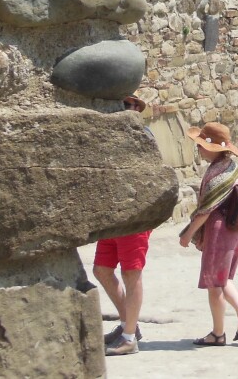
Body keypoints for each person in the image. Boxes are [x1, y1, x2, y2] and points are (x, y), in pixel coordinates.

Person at [179, 122, 238, 347]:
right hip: (235, 230)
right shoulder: (231, 166)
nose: (198, 149)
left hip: (220, 231)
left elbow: (205, 211)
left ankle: (218, 333)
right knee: (223, 280)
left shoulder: (217, 174)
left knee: (214, 285)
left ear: (213, 148)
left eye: (201, 145)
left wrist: (188, 234)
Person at [96, 95, 152, 355]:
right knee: (101, 270)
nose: (127, 110)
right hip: (113, 216)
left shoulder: (144, 137)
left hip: (135, 216)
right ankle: (129, 324)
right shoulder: (108, 136)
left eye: (131, 106)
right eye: (124, 106)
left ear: (138, 110)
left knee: (131, 273)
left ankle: (129, 338)